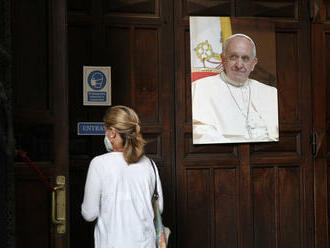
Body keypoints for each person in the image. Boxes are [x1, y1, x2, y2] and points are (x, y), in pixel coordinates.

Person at [81, 105, 164, 248]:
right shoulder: (149, 164)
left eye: (105, 130)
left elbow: (90, 214)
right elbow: (159, 208)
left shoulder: (98, 164)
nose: (105, 135)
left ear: (112, 132)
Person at [192, 33, 278, 144]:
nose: (239, 65)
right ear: (223, 59)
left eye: (245, 58)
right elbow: (201, 133)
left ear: (253, 63)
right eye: (233, 57)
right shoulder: (201, 88)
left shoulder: (270, 93)